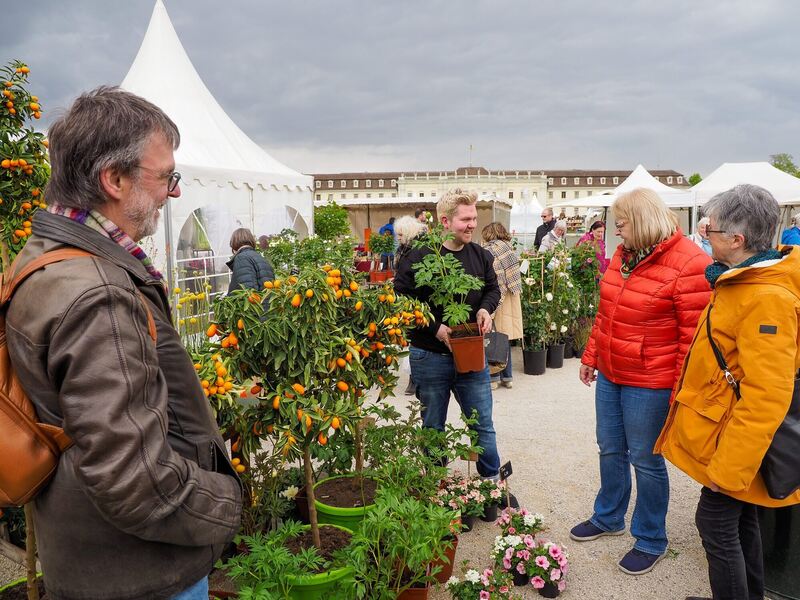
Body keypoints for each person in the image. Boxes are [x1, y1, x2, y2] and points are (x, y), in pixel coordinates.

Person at [5, 87, 242, 600]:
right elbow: (137, 482)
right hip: (140, 573)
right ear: (113, 179)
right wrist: (225, 501)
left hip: (91, 554)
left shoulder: (44, 256)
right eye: (165, 177)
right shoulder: (100, 294)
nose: (172, 193)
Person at [654, 184, 800, 600]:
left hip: (737, 445)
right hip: (731, 436)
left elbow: (767, 395)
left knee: (715, 524)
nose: (703, 234)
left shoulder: (765, 296)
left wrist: (729, 471)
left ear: (737, 240)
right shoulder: (741, 280)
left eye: (709, 229)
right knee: (740, 522)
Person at [573, 187, 712, 576]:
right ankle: (609, 516)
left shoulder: (690, 263)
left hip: (650, 380)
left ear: (642, 221)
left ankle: (651, 537)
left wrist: (681, 391)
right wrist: (591, 356)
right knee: (609, 447)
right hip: (613, 373)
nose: (617, 234)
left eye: (621, 225)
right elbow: (606, 311)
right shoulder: (625, 254)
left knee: (646, 460)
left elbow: (693, 339)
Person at [395, 188, 502, 480]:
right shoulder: (420, 257)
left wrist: (485, 310)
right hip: (430, 354)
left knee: (481, 424)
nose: (472, 225)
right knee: (433, 425)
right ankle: (435, 485)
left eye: (474, 218)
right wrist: (434, 327)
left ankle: (493, 485)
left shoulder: (480, 256)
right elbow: (402, 299)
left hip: (471, 352)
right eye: (464, 219)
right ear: (444, 221)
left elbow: (493, 289)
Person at [481, 222, 523, 390]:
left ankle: (494, 378)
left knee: (493, 337)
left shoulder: (491, 249)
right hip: (512, 297)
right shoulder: (508, 248)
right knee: (503, 338)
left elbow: (495, 275)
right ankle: (508, 377)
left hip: (498, 296)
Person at [393, 215, 428, 396]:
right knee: (409, 339)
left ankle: (415, 379)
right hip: (405, 298)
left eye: (400, 234)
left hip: (415, 299)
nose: (397, 238)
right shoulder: (403, 248)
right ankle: (414, 378)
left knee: (414, 338)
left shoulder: (415, 249)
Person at [227, 227, 275, 293]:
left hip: (257, 302)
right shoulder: (260, 258)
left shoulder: (242, 258)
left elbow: (247, 291)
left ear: (234, 242)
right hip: (266, 301)